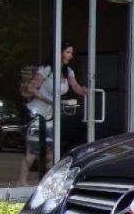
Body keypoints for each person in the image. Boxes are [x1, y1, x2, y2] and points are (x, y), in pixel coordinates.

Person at [19, 41, 86, 187]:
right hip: (36, 112)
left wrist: (85, 91)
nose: (71, 55)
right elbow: (31, 89)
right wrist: (50, 100)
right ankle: (22, 180)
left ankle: (46, 183)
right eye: (68, 52)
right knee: (33, 148)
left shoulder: (68, 71)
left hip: (50, 115)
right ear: (60, 52)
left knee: (50, 150)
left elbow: (75, 86)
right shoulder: (47, 69)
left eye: (71, 52)